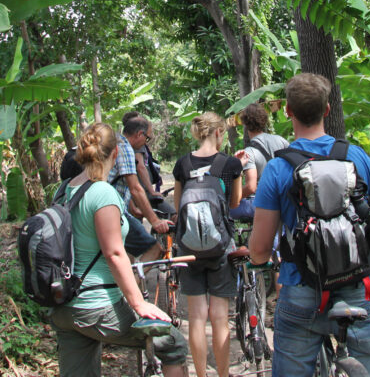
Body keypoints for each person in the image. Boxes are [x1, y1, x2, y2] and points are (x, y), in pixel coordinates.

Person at [249, 73, 370, 377]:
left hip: (301, 289)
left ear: (287, 111)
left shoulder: (277, 168)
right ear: (327, 110)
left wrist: (262, 261)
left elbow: (260, 248)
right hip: (359, 288)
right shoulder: (357, 157)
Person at [49, 122, 188, 377]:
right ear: (115, 154)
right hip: (96, 305)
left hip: (65, 308)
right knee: (174, 344)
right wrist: (139, 305)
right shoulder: (103, 192)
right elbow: (114, 253)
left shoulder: (65, 189)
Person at [172, 112, 242, 377]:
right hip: (220, 246)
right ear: (218, 133)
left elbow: (179, 206)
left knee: (197, 317)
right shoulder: (231, 164)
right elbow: (234, 204)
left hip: (189, 249)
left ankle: (201, 375)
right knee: (220, 317)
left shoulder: (182, 164)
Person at [108, 117, 170, 263]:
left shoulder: (113, 142)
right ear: (139, 134)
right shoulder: (125, 148)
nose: (145, 143)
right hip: (114, 212)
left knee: (127, 255)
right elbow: (135, 188)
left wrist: (134, 209)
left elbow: (118, 183)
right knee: (154, 249)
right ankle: (132, 285)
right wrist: (155, 221)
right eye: (147, 138)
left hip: (110, 207)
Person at [230, 102, 289, 221]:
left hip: (261, 202)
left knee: (227, 209)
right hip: (283, 199)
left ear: (245, 124)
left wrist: (232, 198)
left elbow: (251, 187)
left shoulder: (249, 152)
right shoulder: (282, 141)